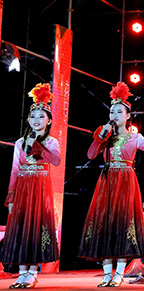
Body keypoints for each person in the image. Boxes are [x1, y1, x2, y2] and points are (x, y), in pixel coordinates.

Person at [78, 82, 144, 287]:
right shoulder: (105, 136)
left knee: (123, 226)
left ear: (127, 116)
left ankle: (119, 274)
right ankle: (107, 274)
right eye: (111, 112)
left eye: (118, 112)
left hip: (125, 182)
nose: (114, 115)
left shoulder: (135, 137)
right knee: (105, 225)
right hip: (107, 182)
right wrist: (100, 138)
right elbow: (90, 155)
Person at [0, 84, 60, 289]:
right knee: (21, 228)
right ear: (28, 119)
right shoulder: (19, 142)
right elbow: (14, 170)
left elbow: (56, 161)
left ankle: (32, 273)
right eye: (33, 116)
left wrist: (38, 147)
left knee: (35, 228)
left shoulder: (51, 142)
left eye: (41, 117)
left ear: (49, 121)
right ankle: (22, 273)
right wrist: (11, 197)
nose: (36, 120)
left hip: (40, 188)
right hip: (23, 188)